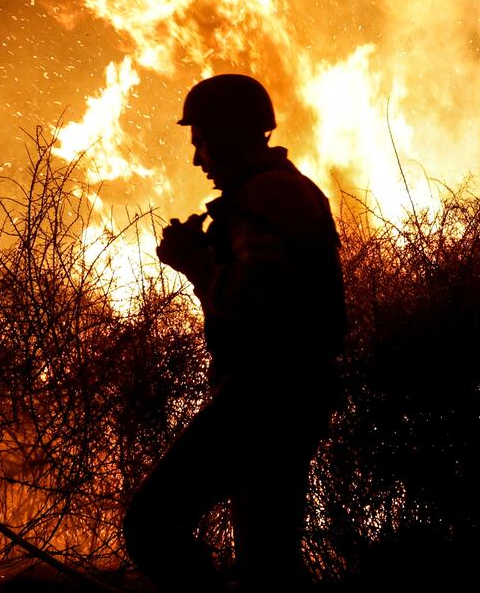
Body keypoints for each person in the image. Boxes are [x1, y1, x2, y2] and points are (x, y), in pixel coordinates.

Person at [124, 74, 346, 591]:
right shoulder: (277, 190)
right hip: (288, 396)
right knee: (269, 563)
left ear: (231, 133)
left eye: (201, 139)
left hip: (267, 398)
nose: (198, 157)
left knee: (152, 523)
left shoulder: (269, 196)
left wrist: (194, 261)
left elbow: (256, 302)